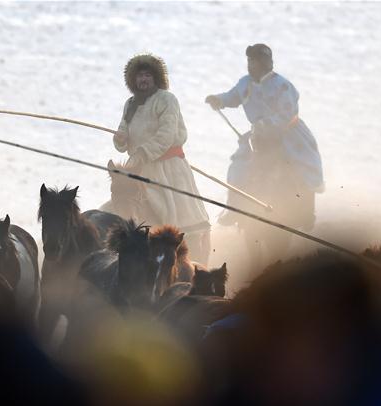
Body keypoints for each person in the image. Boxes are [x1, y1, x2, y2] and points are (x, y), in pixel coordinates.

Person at [205, 44, 324, 270]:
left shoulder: (283, 86)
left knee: (306, 165)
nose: (253, 65)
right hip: (258, 136)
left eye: (257, 61)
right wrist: (218, 100)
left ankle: (306, 211)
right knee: (238, 166)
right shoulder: (244, 83)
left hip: (287, 134)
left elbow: (287, 114)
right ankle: (234, 207)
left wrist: (267, 125)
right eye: (250, 61)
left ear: (268, 62)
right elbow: (232, 97)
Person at [113, 54, 212, 264]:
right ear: (133, 79)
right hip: (138, 170)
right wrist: (120, 140)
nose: (143, 79)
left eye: (148, 74)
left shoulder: (167, 99)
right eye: (139, 75)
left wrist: (142, 153)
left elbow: (166, 136)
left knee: (179, 219)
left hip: (169, 170)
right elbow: (123, 134)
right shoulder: (130, 104)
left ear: (156, 77)